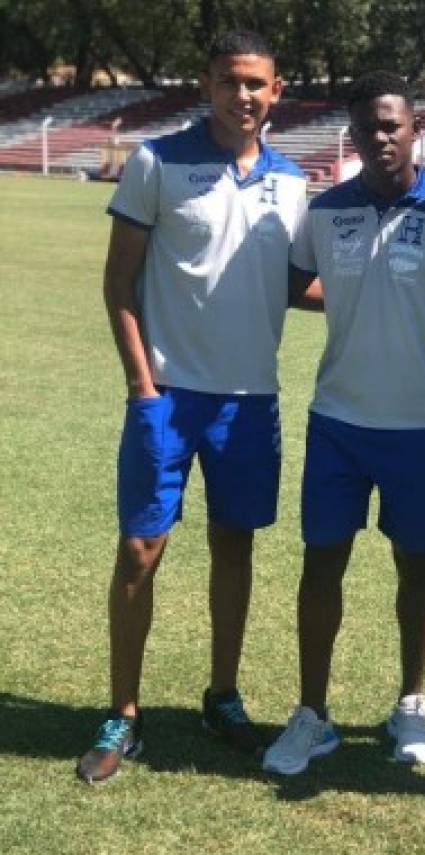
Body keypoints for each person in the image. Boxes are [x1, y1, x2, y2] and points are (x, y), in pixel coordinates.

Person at [76, 31, 307, 785]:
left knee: (234, 548)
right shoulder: (156, 163)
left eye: (257, 85)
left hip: (250, 400)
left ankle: (222, 696)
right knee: (139, 551)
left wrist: (393, 299)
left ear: (278, 91)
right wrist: (143, 387)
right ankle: (124, 712)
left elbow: (295, 285)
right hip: (168, 395)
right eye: (229, 81)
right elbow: (119, 285)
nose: (243, 96)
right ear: (206, 85)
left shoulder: (293, 182)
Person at [262, 70, 425, 776]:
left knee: (415, 566)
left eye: (391, 124)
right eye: (367, 127)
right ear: (355, 133)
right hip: (337, 419)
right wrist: (357, 309)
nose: (380, 137)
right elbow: (291, 282)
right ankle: (311, 714)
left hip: (420, 425)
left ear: (413, 127)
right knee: (320, 563)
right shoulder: (326, 209)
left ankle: (411, 704)